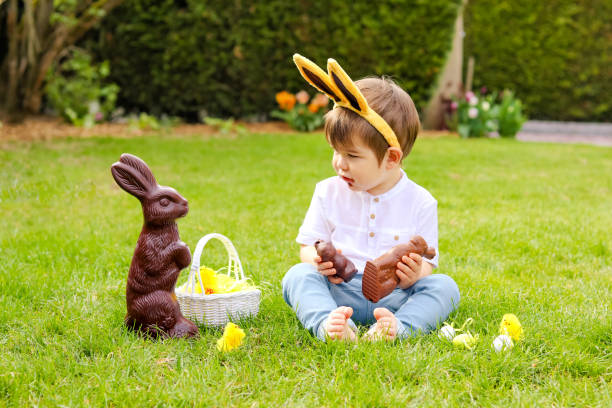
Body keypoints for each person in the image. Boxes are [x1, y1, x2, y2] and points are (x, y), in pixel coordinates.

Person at [282, 55, 460, 341]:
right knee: (297, 276)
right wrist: (317, 261)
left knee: (444, 287)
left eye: (352, 155)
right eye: (335, 151)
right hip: (338, 289)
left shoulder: (421, 201)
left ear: (391, 158)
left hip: (396, 294)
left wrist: (416, 274)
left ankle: (396, 327)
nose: (340, 163)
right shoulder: (327, 191)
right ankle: (329, 324)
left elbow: (428, 264)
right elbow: (307, 245)